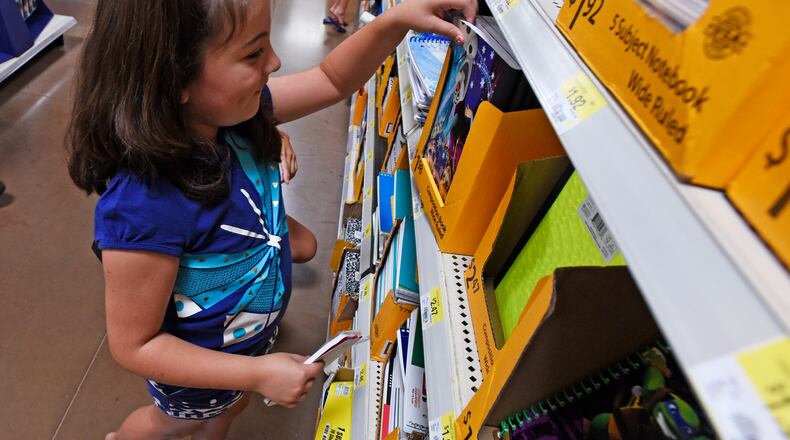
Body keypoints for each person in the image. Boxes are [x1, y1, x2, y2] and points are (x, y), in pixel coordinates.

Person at [65, 0, 476, 439]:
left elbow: (331, 79)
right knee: (171, 424)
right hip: (196, 375)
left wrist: (396, 21)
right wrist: (254, 374)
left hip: (246, 352)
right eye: (253, 53)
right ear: (174, 78)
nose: (276, 62)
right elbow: (135, 345)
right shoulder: (143, 203)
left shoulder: (234, 117)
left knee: (227, 412)